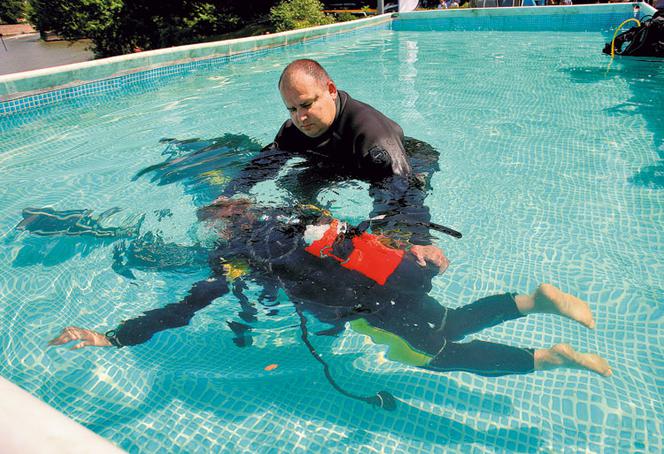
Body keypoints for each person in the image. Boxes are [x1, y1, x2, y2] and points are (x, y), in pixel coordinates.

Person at [47, 198, 612, 380]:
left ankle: (551, 355)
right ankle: (535, 300)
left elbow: (191, 304)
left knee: (437, 357)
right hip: (396, 282)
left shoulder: (241, 257)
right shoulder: (297, 218)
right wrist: (414, 250)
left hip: (370, 306)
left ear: (224, 230)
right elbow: (367, 236)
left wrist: (117, 337)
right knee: (446, 325)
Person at [222, 59, 450, 275]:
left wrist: (420, 239)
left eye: (306, 105)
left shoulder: (373, 135)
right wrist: (231, 195)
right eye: (291, 109)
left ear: (331, 90)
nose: (300, 118)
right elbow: (268, 160)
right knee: (293, 185)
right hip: (340, 162)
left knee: (388, 223)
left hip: (406, 161)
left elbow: (402, 185)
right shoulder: (296, 129)